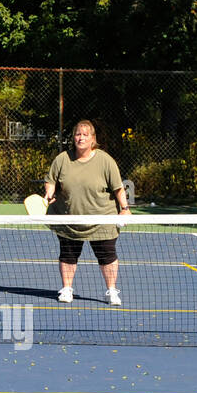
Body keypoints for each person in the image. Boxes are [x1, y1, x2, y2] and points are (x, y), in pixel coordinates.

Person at [43, 119, 130, 305]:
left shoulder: (105, 161)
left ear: (92, 139)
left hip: (102, 218)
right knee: (67, 255)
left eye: (85, 135)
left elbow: (118, 188)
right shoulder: (62, 159)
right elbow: (51, 181)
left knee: (107, 256)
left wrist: (125, 209)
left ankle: (112, 291)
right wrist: (49, 193)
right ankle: (67, 289)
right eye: (77, 134)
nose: (80, 138)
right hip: (69, 218)